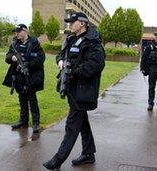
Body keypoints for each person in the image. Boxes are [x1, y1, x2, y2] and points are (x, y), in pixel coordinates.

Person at [43, 12, 105, 170]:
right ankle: (88, 154)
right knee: (81, 121)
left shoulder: (93, 41)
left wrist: (74, 72)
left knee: (72, 124)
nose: (70, 24)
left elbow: (96, 64)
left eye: (73, 22)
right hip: (72, 87)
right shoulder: (71, 39)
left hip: (84, 89)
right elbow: (61, 55)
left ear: (82, 23)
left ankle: (58, 160)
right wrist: (61, 61)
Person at [2, 24, 45, 133]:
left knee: (32, 100)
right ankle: (23, 121)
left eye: (19, 31)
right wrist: (11, 57)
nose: (16, 33)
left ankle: (36, 123)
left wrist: (27, 64)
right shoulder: (14, 44)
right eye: (15, 32)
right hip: (18, 76)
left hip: (31, 76)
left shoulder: (35, 43)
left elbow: (41, 59)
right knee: (22, 100)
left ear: (26, 32)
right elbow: (7, 57)